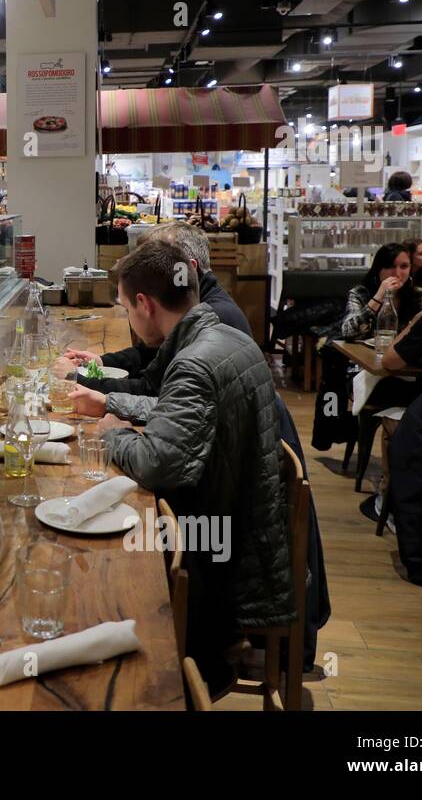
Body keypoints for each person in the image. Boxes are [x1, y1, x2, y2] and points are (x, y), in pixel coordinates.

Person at [66, 239, 294, 696]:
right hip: (249, 525)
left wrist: (110, 432)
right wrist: (108, 400)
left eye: (125, 307)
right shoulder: (220, 335)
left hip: (221, 550)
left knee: (93, 565)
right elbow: (175, 406)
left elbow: (159, 465)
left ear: (145, 305)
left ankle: (152, 683)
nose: (128, 317)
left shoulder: (195, 360)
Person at [63, 221, 248, 395]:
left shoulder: (213, 320)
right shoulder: (191, 309)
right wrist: (102, 361)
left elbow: (153, 392)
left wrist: (76, 379)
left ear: (187, 269)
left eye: (156, 262)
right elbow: (152, 354)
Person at [334, 242, 422, 341]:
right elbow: (348, 332)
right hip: (364, 351)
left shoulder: (417, 294)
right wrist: (379, 297)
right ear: (378, 269)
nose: (397, 273)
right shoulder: (360, 293)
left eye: (404, 266)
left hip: (401, 353)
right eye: (390, 266)